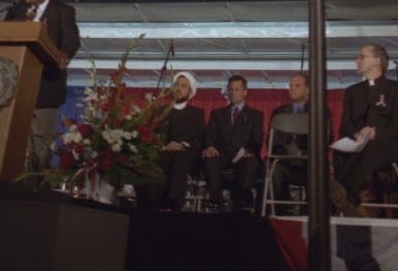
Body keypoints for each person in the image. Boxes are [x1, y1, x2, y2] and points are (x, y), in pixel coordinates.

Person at [4, 0, 80, 174]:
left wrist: (64, 54)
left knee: (40, 139)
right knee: (18, 137)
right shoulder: (16, 10)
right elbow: (5, 35)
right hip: (17, 84)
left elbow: (72, 39)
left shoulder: (63, 11)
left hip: (47, 83)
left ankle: (37, 181)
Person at [331, 44, 398, 217]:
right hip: (358, 143)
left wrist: (375, 133)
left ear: (377, 60)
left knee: (370, 146)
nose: (357, 60)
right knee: (338, 152)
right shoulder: (352, 91)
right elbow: (345, 125)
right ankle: (347, 195)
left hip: (388, 143)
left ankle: (345, 193)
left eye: (361, 57)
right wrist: (356, 134)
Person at [138, 70, 205, 213]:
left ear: (190, 91)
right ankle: (149, 206)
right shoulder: (160, 111)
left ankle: (173, 206)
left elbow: (199, 138)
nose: (179, 89)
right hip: (161, 152)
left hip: (184, 153)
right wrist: (158, 144)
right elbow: (150, 134)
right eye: (177, 85)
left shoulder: (197, 113)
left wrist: (181, 144)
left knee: (179, 159)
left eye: (184, 86)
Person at [267, 72, 331, 212]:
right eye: (290, 85)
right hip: (284, 161)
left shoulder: (320, 112)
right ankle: (280, 215)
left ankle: (312, 214)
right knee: (274, 169)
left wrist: (302, 152)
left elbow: (325, 142)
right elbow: (272, 143)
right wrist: (290, 152)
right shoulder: (279, 113)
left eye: (297, 85)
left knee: (317, 169)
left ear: (308, 90)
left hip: (309, 161)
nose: (291, 88)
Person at [203, 75, 263, 211]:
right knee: (210, 159)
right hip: (221, 155)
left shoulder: (255, 115)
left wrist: (250, 150)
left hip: (243, 156)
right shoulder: (217, 113)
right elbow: (209, 135)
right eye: (230, 89)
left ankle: (241, 203)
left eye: (236, 89)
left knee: (251, 162)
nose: (232, 92)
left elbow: (257, 139)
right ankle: (216, 202)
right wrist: (210, 146)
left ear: (245, 92)